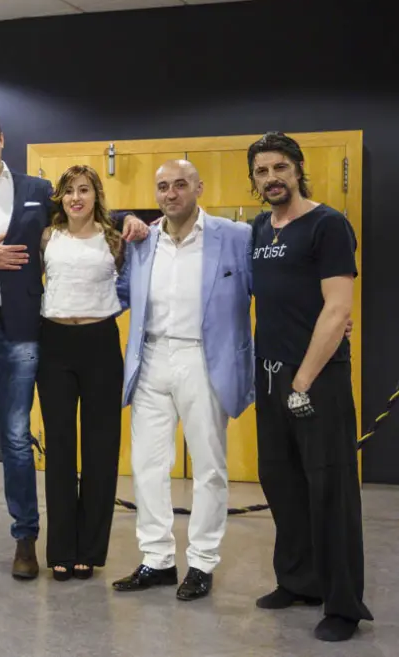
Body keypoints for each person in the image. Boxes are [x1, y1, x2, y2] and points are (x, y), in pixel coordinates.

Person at [0, 110, 148, 582]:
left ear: (2, 140)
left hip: (22, 332)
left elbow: (84, 216)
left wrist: (133, 222)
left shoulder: (38, 192)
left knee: (20, 442)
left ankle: (26, 540)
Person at [247, 132, 372, 642]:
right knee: (282, 483)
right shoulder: (260, 228)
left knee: (330, 489)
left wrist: (302, 380)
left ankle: (344, 604)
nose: (271, 178)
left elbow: (338, 308)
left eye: (280, 168)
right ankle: (299, 581)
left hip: (316, 380)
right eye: (261, 171)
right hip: (269, 373)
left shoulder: (328, 225)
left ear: (298, 169)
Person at [110, 159, 254, 601]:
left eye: (179, 185)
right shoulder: (142, 242)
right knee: (148, 466)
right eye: (162, 187)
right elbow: (118, 295)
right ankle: (157, 559)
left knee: (209, 467)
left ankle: (203, 562)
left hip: (203, 359)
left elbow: (272, 288)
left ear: (198, 187)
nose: (170, 194)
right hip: (151, 357)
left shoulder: (235, 238)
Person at [36, 165, 125, 582]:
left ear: (95, 195)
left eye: (83, 190)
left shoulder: (114, 237)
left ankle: (90, 549)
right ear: (60, 197)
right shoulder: (48, 236)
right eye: (68, 190)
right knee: (60, 448)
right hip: (55, 345)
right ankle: (61, 549)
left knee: (100, 448)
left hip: (100, 344)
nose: (76, 197)